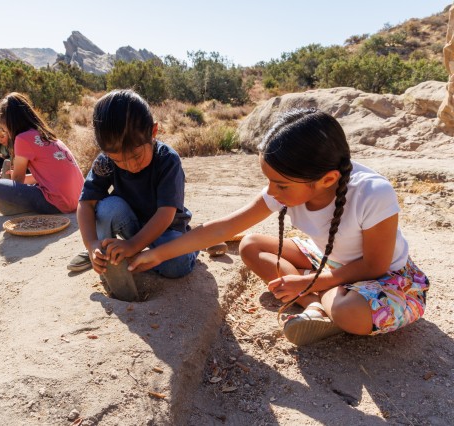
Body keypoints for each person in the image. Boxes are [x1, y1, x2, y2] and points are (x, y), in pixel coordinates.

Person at [128, 108, 429, 346]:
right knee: (250, 246)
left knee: (349, 313)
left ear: (327, 180)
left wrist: (311, 281)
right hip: (325, 258)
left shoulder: (373, 193)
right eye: (269, 181)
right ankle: (317, 304)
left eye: (280, 184)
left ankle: (321, 303)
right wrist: (160, 254)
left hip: (384, 277)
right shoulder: (290, 184)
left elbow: (375, 265)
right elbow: (226, 227)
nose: (271, 191)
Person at [72, 89, 197, 279]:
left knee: (177, 265)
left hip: (166, 229)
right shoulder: (105, 162)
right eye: (119, 161)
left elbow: (166, 213)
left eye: (136, 156)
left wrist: (132, 246)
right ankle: (104, 257)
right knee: (108, 208)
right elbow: (86, 204)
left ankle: (193, 245)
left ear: (153, 132)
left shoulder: (167, 160)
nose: (130, 166)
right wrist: (91, 244)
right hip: (132, 225)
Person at [0, 92, 84, 215]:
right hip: (77, 199)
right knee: (15, 191)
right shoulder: (45, 134)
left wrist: (9, 180)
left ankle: (22, 207)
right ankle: (23, 206)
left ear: (10, 123)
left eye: (5, 129)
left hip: (59, 202)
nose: (7, 133)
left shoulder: (22, 138)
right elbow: (46, 177)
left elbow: (17, 180)